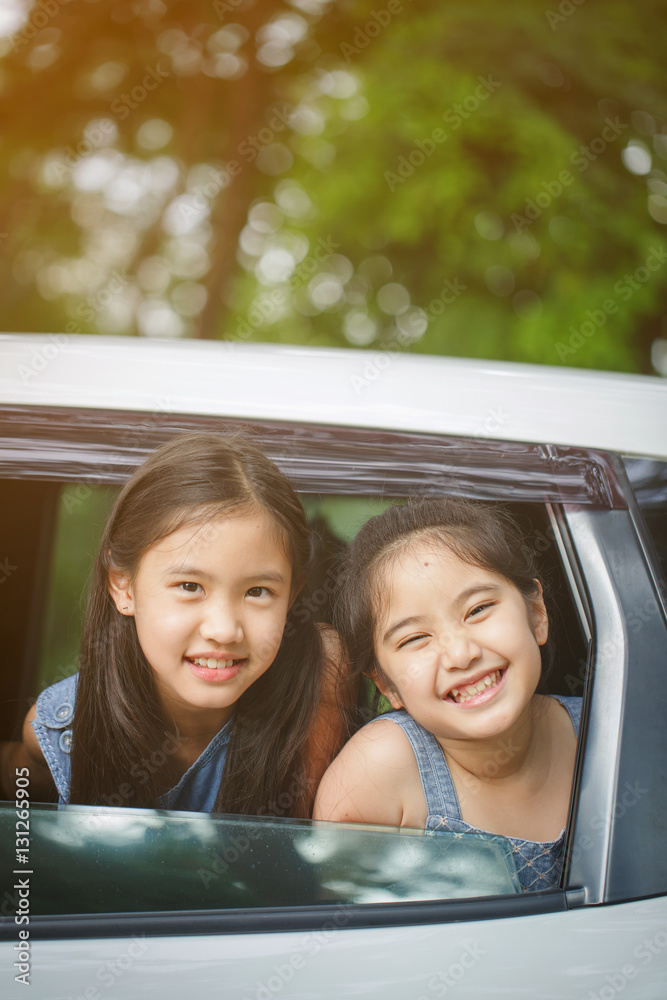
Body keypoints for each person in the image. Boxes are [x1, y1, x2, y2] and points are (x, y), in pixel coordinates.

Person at [1, 432, 343, 817]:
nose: (224, 630)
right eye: (190, 586)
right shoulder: (64, 731)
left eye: (258, 591)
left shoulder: (316, 705)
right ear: (123, 585)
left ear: (292, 596)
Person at [314, 497, 581, 891]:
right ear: (386, 685)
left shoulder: (615, 728)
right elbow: (343, 933)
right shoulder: (379, 774)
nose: (461, 653)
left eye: (478, 610)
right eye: (416, 638)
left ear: (536, 613)